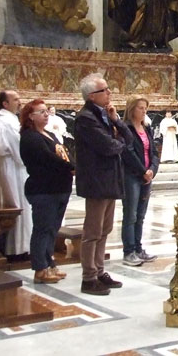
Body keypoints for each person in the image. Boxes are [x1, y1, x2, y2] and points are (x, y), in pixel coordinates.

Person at [75, 73, 134, 296]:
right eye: (105, 90)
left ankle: (99, 271)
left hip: (109, 179)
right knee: (93, 231)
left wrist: (117, 121)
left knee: (105, 229)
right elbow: (109, 146)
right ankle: (88, 277)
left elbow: (128, 140)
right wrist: (117, 140)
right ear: (92, 96)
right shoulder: (86, 118)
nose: (110, 93)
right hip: (96, 180)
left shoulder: (104, 115)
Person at [19, 100, 74, 284]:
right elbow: (49, 159)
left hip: (59, 187)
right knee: (42, 229)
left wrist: (71, 166)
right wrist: (72, 168)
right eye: (41, 112)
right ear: (30, 116)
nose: (46, 114)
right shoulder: (30, 136)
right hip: (43, 188)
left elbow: (63, 152)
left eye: (46, 111)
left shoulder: (50, 134)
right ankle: (39, 268)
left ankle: (49, 263)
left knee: (52, 229)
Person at [0, 90, 32, 259]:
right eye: (15, 99)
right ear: (5, 104)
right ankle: (19, 249)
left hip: (9, 167)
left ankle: (18, 247)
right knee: (21, 206)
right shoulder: (8, 122)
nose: (19, 102)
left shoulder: (4, 120)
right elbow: (19, 150)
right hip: (15, 168)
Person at [120, 96, 159, 266]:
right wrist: (143, 171)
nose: (144, 111)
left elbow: (154, 153)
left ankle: (138, 248)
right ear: (132, 109)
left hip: (146, 175)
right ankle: (129, 251)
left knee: (141, 215)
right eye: (140, 108)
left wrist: (152, 170)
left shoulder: (147, 128)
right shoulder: (126, 129)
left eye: (145, 108)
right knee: (131, 214)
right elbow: (128, 153)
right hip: (132, 175)